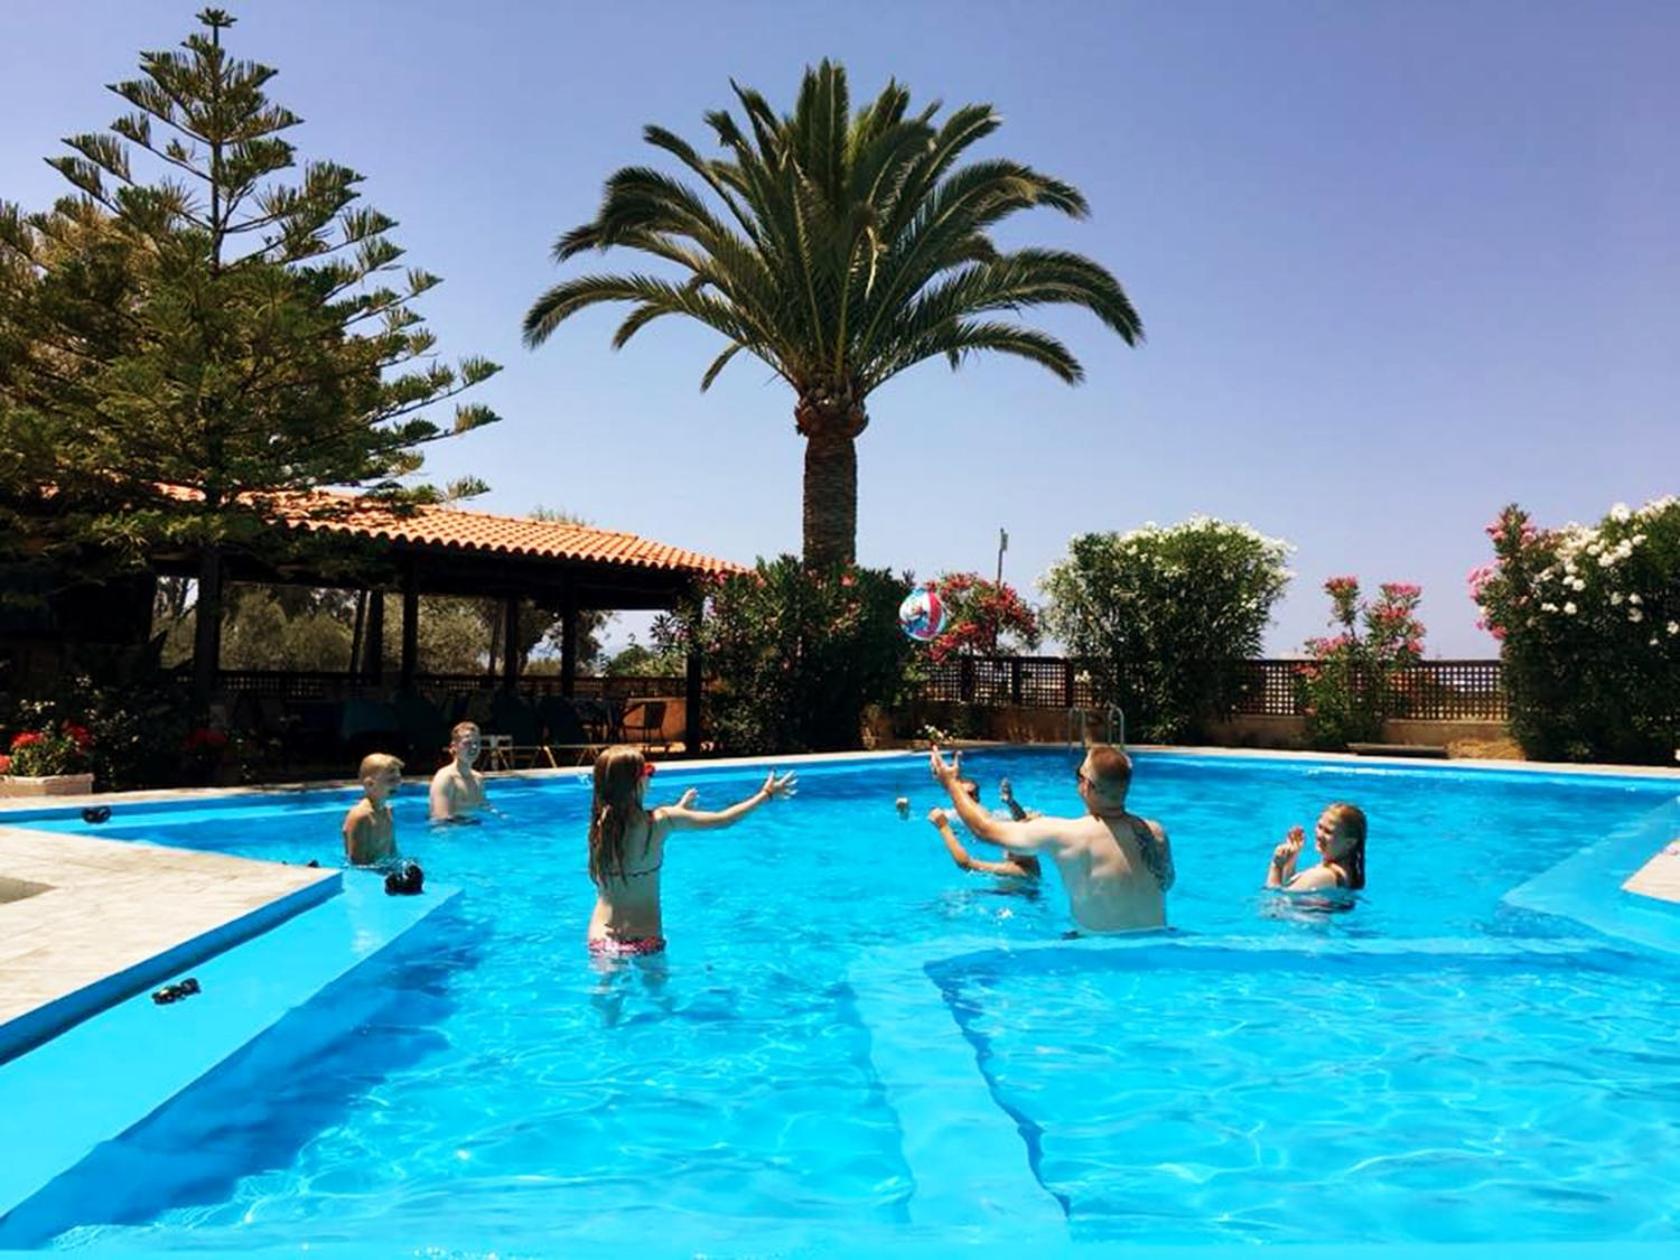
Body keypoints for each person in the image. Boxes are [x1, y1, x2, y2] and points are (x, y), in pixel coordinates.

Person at [930, 743, 1174, 933]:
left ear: (1086, 785)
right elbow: (1167, 883)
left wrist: (950, 783)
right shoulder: (1155, 833)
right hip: (1160, 945)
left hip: (1097, 954)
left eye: (1078, 774)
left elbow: (985, 830)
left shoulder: (1067, 835)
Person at [586, 745, 797, 957]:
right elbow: (724, 820)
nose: (650, 776)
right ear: (637, 782)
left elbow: (630, 827)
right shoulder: (662, 821)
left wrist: (678, 810)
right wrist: (766, 794)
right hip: (646, 939)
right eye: (648, 771)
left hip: (602, 938)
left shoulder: (601, 824)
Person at [928, 771, 1041, 882]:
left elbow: (966, 864)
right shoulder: (1025, 861)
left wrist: (943, 827)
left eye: (1009, 843)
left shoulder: (1019, 870)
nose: (1004, 846)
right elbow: (1020, 822)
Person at [1266, 803, 1366, 892]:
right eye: (1319, 827)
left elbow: (1275, 903)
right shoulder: (1347, 872)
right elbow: (1292, 889)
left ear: (1349, 843)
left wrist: (1276, 866)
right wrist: (1292, 860)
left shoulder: (1323, 875)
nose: (1319, 835)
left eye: (1328, 832)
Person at [343, 752, 404, 868]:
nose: (397, 784)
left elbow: (393, 852)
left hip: (383, 871)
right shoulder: (360, 817)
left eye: (398, 779)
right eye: (391, 780)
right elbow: (357, 865)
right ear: (370, 784)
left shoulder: (387, 811)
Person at [430, 721, 488, 822]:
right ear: (454, 746)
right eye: (467, 743)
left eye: (477, 743)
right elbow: (440, 819)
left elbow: (484, 807)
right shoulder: (445, 778)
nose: (474, 747)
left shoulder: (478, 779)